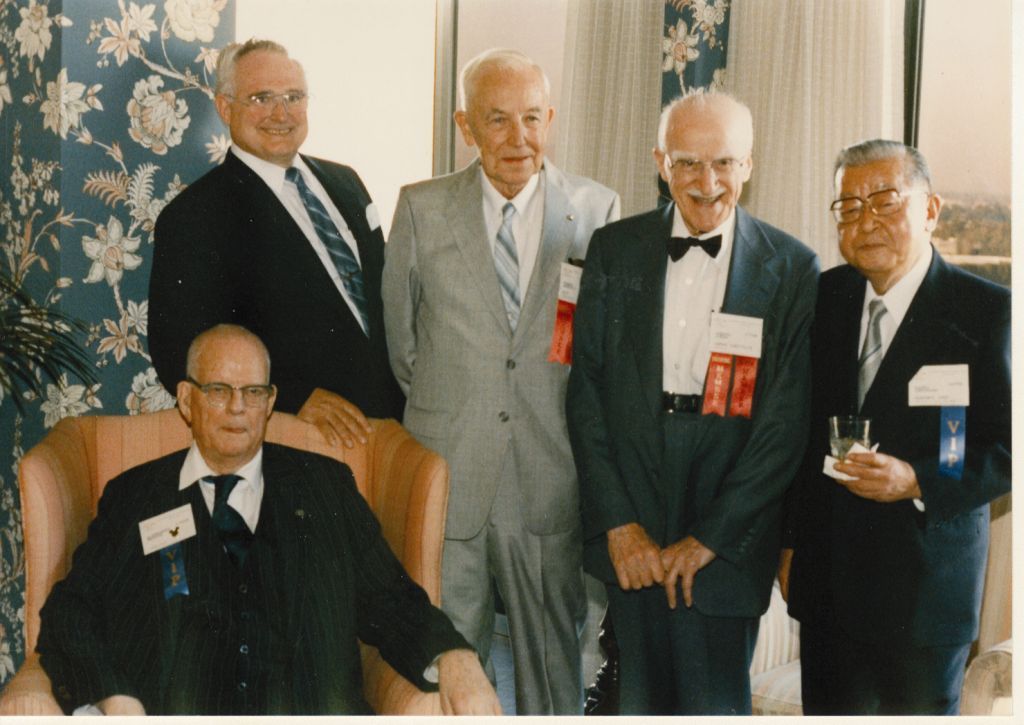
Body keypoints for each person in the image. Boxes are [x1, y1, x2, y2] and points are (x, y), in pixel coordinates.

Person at [36, 324, 501, 716]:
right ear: (185, 399)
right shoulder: (136, 496)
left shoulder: (325, 486)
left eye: (253, 392)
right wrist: (114, 696)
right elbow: (71, 611)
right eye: (218, 390)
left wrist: (453, 654)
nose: (238, 407)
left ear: (271, 400)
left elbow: (393, 599)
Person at [381, 48, 620, 714]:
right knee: (448, 663)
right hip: (449, 473)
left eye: (533, 118)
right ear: (465, 125)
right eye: (498, 120)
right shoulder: (422, 208)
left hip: (550, 478)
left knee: (554, 667)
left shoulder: (597, 209)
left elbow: (598, 352)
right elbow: (403, 348)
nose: (519, 139)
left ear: (552, 119)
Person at [566, 89, 818, 715]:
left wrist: (710, 537)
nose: (707, 183)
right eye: (687, 163)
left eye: (724, 163)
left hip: (728, 514)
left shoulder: (793, 268)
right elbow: (586, 394)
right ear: (660, 163)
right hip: (633, 504)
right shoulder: (612, 249)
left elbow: (784, 426)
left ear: (749, 166)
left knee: (712, 703)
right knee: (636, 700)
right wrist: (618, 524)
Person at [780, 139, 1011, 715]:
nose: (867, 221)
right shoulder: (822, 298)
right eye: (849, 208)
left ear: (930, 210)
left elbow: (1009, 447)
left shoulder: (987, 311)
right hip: (829, 587)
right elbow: (794, 433)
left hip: (924, 596)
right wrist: (786, 545)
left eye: (885, 201)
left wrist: (916, 479)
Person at [149, 39, 401, 449]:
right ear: (225, 108)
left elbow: (385, 299)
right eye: (261, 98)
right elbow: (177, 350)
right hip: (295, 439)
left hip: (388, 423)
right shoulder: (194, 216)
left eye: (294, 97)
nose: (281, 114)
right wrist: (293, 395)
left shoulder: (347, 182)